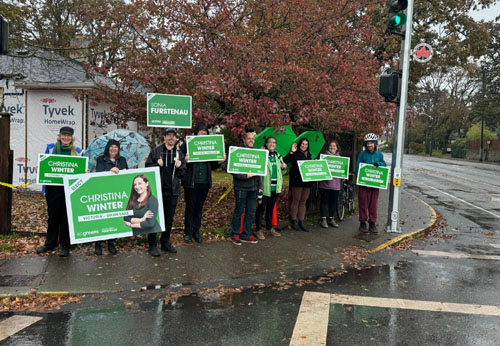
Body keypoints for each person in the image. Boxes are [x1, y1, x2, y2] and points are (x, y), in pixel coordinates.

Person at [36, 126, 82, 257]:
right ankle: (49, 244)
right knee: (53, 216)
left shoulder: (78, 151)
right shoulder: (51, 148)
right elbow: (45, 164)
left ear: (71, 138)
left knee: (66, 218)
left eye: (68, 136)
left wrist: (85, 171)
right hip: (53, 188)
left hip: (69, 188)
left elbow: (81, 168)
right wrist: (40, 167)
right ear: (60, 136)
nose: (66, 138)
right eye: (64, 135)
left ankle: (65, 245)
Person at [180, 124, 226, 244]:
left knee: (199, 208)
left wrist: (220, 161)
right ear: (196, 133)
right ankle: (188, 233)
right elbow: (179, 159)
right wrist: (185, 160)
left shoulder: (210, 145)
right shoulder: (187, 144)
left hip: (204, 182)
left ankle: (196, 231)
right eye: (201, 132)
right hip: (191, 182)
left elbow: (213, 164)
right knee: (190, 208)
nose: (203, 134)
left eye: (205, 132)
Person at [145, 128, 186, 256]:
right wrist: (157, 165)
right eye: (168, 135)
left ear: (176, 139)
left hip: (172, 191)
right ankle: (152, 244)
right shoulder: (157, 152)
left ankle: (165, 242)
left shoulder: (179, 154)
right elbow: (147, 167)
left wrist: (180, 167)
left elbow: (183, 173)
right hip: (158, 190)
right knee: (154, 217)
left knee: (169, 218)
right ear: (164, 138)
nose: (171, 138)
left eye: (173, 136)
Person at [94, 139, 129, 255]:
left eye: (116, 147)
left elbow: (127, 174)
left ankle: (111, 243)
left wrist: (124, 172)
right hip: (103, 192)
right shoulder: (101, 159)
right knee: (102, 218)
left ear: (118, 149)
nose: (113, 149)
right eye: (111, 146)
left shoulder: (122, 160)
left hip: (117, 193)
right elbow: (98, 172)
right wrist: (109, 170)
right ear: (108, 148)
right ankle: (98, 244)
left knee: (114, 218)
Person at [230, 130, 260, 245]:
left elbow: (259, 171)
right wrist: (245, 176)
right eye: (249, 138)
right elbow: (233, 170)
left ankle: (246, 234)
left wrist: (259, 186)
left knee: (251, 212)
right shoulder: (237, 152)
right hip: (241, 187)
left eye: (253, 139)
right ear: (244, 140)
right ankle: (235, 234)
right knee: (239, 210)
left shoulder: (257, 154)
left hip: (253, 188)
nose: (251, 141)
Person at [254, 136, 286, 240]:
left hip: (275, 188)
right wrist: (259, 186)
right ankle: (258, 229)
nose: (272, 144)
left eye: (274, 142)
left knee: (270, 209)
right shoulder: (262, 155)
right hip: (265, 187)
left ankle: (269, 228)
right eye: (270, 142)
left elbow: (282, 172)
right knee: (261, 209)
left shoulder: (278, 156)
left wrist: (284, 167)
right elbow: (257, 170)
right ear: (266, 144)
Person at [356, 133, 386, 233]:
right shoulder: (362, 155)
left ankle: (372, 223)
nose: (369, 145)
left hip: (375, 185)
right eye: (368, 143)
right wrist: (361, 180)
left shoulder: (379, 155)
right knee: (363, 204)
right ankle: (363, 223)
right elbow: (357, 168)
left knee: (373, 205)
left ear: (375, 144)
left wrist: (379, 164)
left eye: (371, 143)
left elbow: (384, 165)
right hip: (364, 185)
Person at [284, 138, 312, 232]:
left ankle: (301, 221)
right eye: (303, 144)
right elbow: (285, 160)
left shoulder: (309, 155)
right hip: (297, 180)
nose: (304, 146)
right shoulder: (295, 153)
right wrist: (291, 152)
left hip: (307, 181)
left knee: (303, 201)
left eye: (306, 144)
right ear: (300, 144)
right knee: (296, 200)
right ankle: (293, 220)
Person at [319, 140, 342, 229]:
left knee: (333, 202)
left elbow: (343, 169)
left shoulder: (340, 158)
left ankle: (331, 219)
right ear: (328, 147)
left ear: (337, 147)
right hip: (325, 184)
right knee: (324, 202)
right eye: (331, 146)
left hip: (336, 185)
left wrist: (343, 176)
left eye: (334, 146)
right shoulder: (324, 157)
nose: (332, 147)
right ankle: (323, 219)